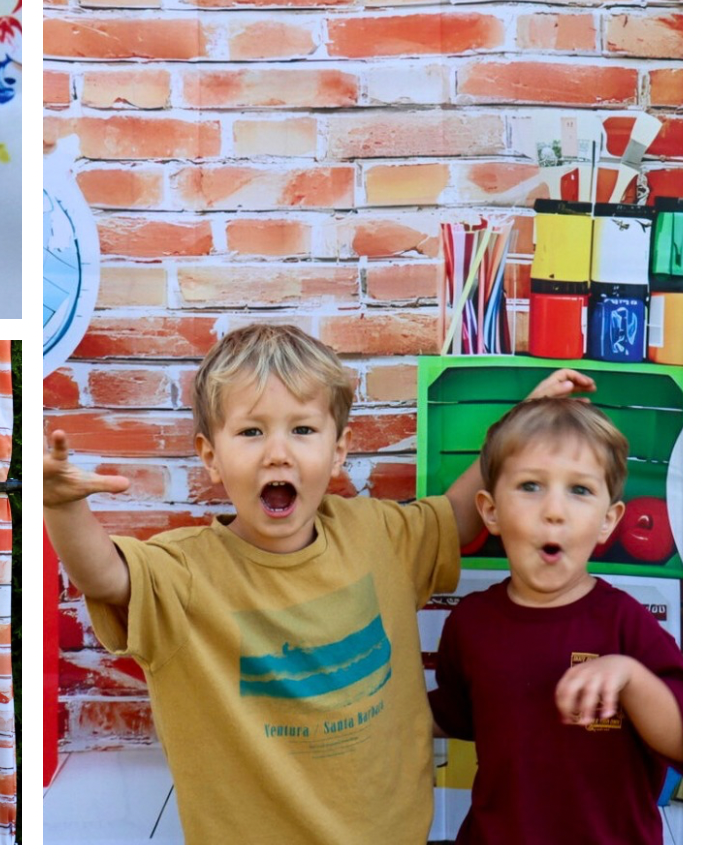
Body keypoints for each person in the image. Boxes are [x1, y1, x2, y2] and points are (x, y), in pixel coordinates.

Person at [43, 321, 591, 843]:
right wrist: (62, 509)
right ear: (211, 456)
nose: (278, 451)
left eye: (303, 430)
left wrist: (525, 424)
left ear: (339, 449)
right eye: (252, 431)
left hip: (395, 838)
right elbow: (106, 576)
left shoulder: (376, 532)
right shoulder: (184, 573)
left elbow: (457, 514)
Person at [428, 396, 682, 843]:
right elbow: (454, 715)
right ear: (490, 511)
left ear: (608, 521)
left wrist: (631, 679)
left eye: (579, 490)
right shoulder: (470, 623)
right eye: (530, 486)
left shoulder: (627, 623)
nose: (554, 511)